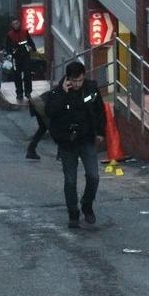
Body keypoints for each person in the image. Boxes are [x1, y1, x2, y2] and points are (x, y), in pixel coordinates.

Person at [45, 61, 106, 228]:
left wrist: (100, 132)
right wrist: (63, 94)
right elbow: (50, 111)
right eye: (74, 81)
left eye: (79, 80)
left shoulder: (91, 89)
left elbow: (99, 110)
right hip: (67, 142)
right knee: (70, 180)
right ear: (67, 79)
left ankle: (87, 205)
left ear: (84, 76)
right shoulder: (58, 92)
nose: (77, 84)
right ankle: (73, 212)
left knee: (93, 176)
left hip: (86, 139)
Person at [5, 19, 37, 101]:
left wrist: (33, 48)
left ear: (19, 24)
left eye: (17, 23)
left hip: (25, 56)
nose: (16, 25)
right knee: (17, 76)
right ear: (12, 25)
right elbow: (7, 46)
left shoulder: (24, 32)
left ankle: (28, 92)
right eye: (14, 24)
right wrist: (9, 54)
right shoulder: (10, 34)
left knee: (27, 74)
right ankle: (19, 93)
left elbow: (30, 42)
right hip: (16, 58)